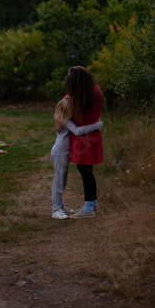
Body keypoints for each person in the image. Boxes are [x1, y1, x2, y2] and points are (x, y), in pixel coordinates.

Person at [50, 97, 104, 220]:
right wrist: (96, 126)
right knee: (59, 181)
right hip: (60, 152)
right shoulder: (65, 120)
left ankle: (60, 206)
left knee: (62, 180)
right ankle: (56, 209)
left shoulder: (65, 118)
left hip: (62, 152)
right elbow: (78, 131)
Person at [65, 66, 104, 219]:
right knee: (88, 170)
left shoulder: (87, 96)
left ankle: (88, 208)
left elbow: (78, 114)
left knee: (85, 171)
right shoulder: (94, 90)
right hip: (92, 135)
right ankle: (93, 203)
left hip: (84, 137)